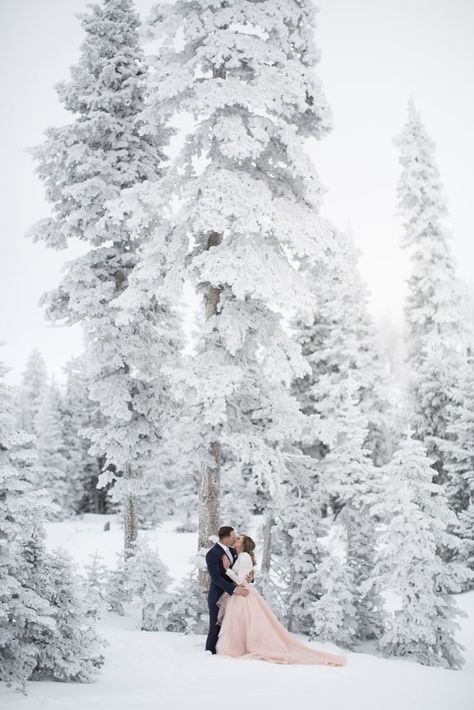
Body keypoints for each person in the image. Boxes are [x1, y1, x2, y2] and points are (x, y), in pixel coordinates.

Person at [215, 534, 348, 667]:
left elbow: (239, 579)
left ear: (244, 544)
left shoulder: (244, 557)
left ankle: (239, 649)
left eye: (238, 538)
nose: (235, 539)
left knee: (241, 623)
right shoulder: (239, 556)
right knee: (240, 623)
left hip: (242, 593)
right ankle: (239, 648)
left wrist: (227, 569)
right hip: (240, 592)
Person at [204, 526, 249, 654]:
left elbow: (240, 570)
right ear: (227, 538)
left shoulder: (233, 551)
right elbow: (216, 578)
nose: (235, 539)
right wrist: (234, 589)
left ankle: (229, 649)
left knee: (233, 625)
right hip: (218, 596)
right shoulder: (212, 553)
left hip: (233, 597)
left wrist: (249, 578)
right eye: (233, 537)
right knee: (215, 625)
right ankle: (210, 652)